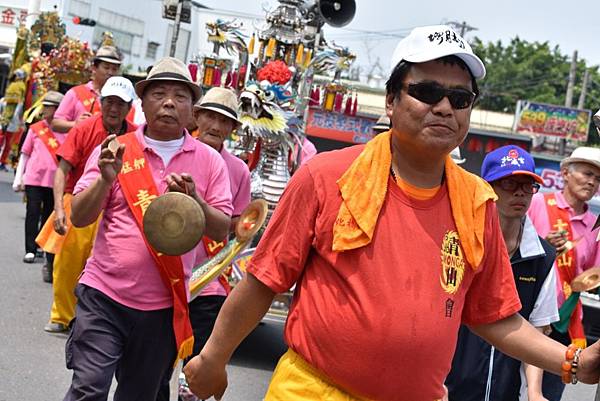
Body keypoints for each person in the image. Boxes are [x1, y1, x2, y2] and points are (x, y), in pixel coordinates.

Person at [183, 25, 600, 401]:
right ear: (390, 100)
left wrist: (573, 363)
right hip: (313, 391)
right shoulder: (326, 176)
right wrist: (213, 358)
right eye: (426, 92)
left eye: (459, 99)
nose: (443, 108)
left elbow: (495, 317)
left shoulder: (477, 202)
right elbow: (263, 280)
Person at [62, 56, 232, 401]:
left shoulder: (210, 161)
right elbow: (79, 218)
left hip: (162, 308)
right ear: (142, 103)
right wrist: (104, 182)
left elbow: (221, 230)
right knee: (88, 388)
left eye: (180, 96)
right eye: (159, 94)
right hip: (104, 296)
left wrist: (196, 202)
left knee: (139, 395)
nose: (169, 102)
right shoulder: (114, 150)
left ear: (192, 111)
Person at [446, 145, 558, 401]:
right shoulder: (461, 242)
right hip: (449, 388)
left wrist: (535, 391)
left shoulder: (543, 257)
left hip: (505, 392)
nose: (519, 192)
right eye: (509, 183)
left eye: (527, 185)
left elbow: (537, 330)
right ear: (487, 189)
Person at [36, 77, 137, 332]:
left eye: (120, 104)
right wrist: (59, 208)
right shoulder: (83, 129)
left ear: (129, 108)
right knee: (68, 261)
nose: (114, 109)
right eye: (110, 102)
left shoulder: (137, 136)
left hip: (118, 208)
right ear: (101, 103)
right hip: (79, 202)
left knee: (109, 265)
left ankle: (94, 318)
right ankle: (62, 315)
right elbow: (62, 170)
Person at [172, 87, 251, 401]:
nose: (216, 126)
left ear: (232, 129)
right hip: (165, 276)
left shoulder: (239, 170)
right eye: (210, 116)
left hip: (210, 281)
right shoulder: (174, 152)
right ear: (196, 116)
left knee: (196, 370)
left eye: (225, 121)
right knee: (151, 366)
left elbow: (237, 222)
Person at [527, 146, 600, 401]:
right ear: (566, 173)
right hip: (522, 312)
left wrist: (586, 279)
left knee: (550, 392)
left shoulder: (594, 225)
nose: (592, 182)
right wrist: (543, 248)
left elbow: (594, 272)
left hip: (563, 320)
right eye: (587, 173)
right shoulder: (536, 203)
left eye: (598, 178)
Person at [12, 91, 65, 268]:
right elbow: (25, 154)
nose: (44, 110)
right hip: (34, 179)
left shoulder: (65, 131)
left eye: (48, 107)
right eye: (45, 106)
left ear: (58, 110)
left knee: (49, 214)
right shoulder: (35, 129)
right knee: (32, 212)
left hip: (54, 182)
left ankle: (42, 245)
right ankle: (30, 249)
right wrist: (19, 177)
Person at [51, 46, 121, 133]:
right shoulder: (75, 93)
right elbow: (55, 124)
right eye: (106, 68)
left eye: (114, 69)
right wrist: (76, 124)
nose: (110, 72)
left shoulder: (121, 99)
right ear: (94, 68)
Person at [0, 68, 26, 169]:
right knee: (7, 143)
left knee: (6, 143)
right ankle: (2, 161)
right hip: (9, 122)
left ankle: (2, 161)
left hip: (8, 122)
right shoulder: (18, 100)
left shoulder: (5, 99)